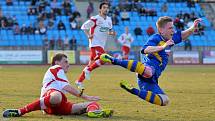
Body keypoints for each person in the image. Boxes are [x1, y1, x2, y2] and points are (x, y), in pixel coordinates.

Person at [100, 16, 201, 106]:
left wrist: (193, 27)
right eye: (170, 28)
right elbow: (145, 50)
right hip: (147, 69)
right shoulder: (156, 38)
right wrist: (162, 47)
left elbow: (183, 35)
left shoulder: (170, 38)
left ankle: (132, 90)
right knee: (148, 71)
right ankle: (113, 60)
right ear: (161, 30)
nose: (173, 30)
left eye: (173, 27)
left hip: (153, 79)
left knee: (165, 100)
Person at [2, 53, 113, 118]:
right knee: (57, 96)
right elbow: (66, 88)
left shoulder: (59, 73)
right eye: (65, 61)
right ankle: (20, 111)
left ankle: (92, 112)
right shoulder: (56, 68)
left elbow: (64, 88)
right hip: (51, 99)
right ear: (56, 62)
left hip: (59, 106)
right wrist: (85, 96)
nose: (68, 64)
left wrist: (88, 100)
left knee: (93, 103)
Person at [75, 2, 116, 90]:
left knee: (90, 64)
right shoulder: (95, 19)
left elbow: (108, 31)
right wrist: (88, 35)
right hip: (95, 44)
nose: (106, 9)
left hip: (101, 45)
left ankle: (79, 81)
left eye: (107, 8)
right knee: (104, 59)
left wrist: (112, 33)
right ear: (100, 9)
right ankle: (88, 70)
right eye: (104, 7)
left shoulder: (109, 19)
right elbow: (84, 26)